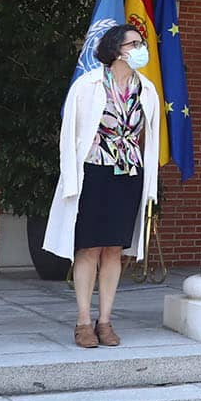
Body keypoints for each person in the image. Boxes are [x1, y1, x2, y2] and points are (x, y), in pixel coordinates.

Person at [45, 23, 160, 349]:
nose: (140, 49)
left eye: (141, 43)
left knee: (114, 249)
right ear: (115, 49)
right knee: (89, 247)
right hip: (94, 174)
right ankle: (83, 321)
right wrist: (70, 179)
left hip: (128, 176)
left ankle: (105, 320)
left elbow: (149, 140)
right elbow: (70, 136)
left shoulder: (146, 89)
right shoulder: (88, 85)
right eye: (134, 43)